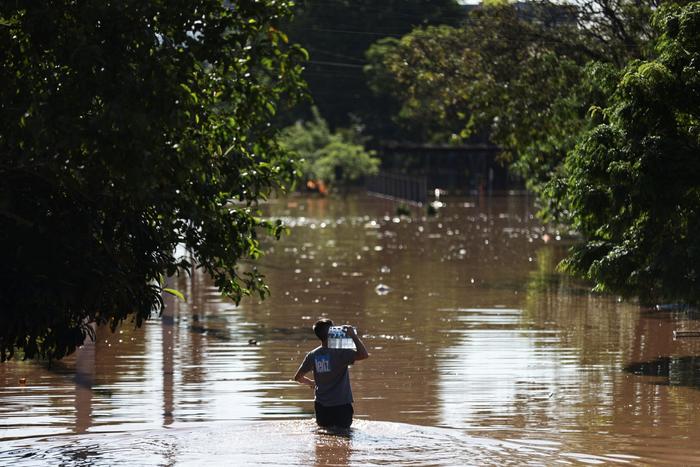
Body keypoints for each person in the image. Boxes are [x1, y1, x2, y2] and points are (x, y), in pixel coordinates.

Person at [293, 318, 369, 428]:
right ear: (331, 333)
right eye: (333, 328)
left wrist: (312, 383)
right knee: (344, 437)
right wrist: (353, 335)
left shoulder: (313, 355)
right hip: (341, 405)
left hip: (321, 407)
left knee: (324, 433)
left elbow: (298, 377)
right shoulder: (341, 352)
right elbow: (364, 355)